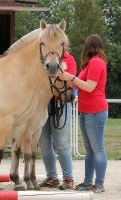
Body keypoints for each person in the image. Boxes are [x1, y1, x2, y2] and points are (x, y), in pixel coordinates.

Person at [59, 34, 108, 193]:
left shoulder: (96, 62)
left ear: (89, 47)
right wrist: (64, 75)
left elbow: (89, 87)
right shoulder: (89, 65)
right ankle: (88, 182)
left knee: (97, 149)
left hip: (95, 110)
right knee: (90, 149)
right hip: (86, 110)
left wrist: (71, 77)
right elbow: (79, 84)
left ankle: (99, 183)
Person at [39, 48, 77, 190]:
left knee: (61, 142)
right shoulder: (44, 60)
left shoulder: (69, 59)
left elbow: (71, 83)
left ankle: (68, 178)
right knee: (44, 143)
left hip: (60, 103)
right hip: (43, 104)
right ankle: (52, 177)